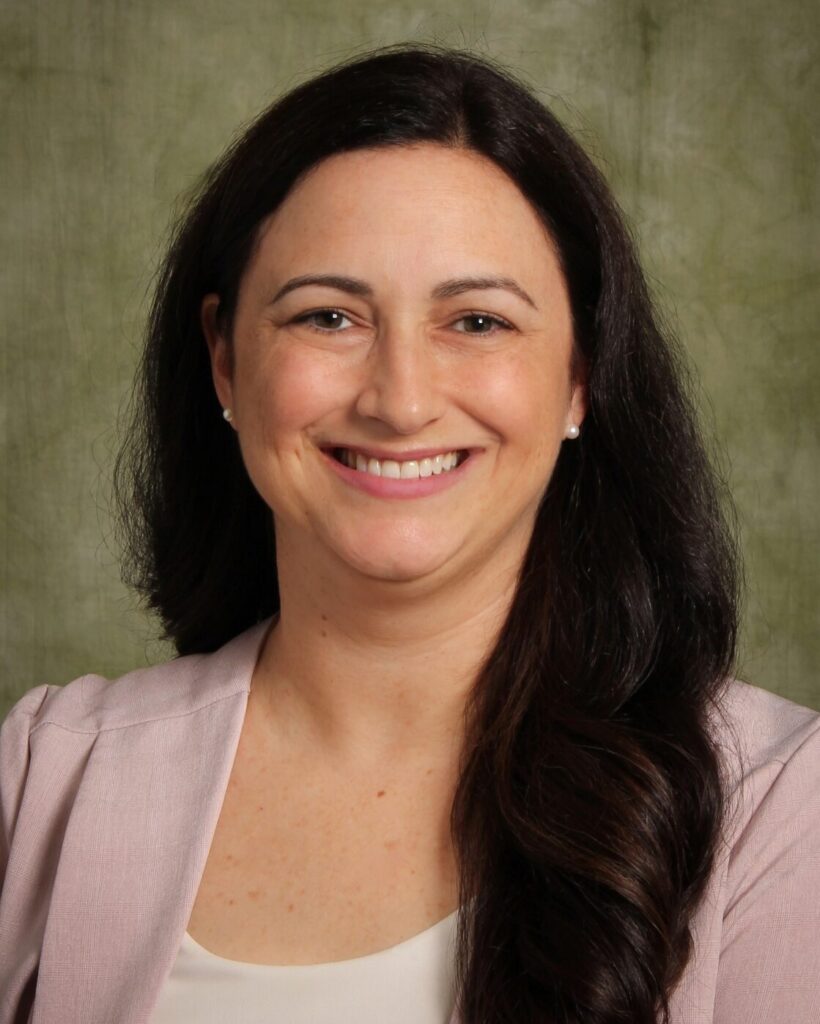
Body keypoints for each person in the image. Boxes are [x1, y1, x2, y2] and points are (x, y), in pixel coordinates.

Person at [1, 42, 818, 1024]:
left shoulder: (776, 808)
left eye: (476, 322)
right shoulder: (46, 774)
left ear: (580, 375)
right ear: (223, 359)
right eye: (329, 316)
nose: (399, 400)